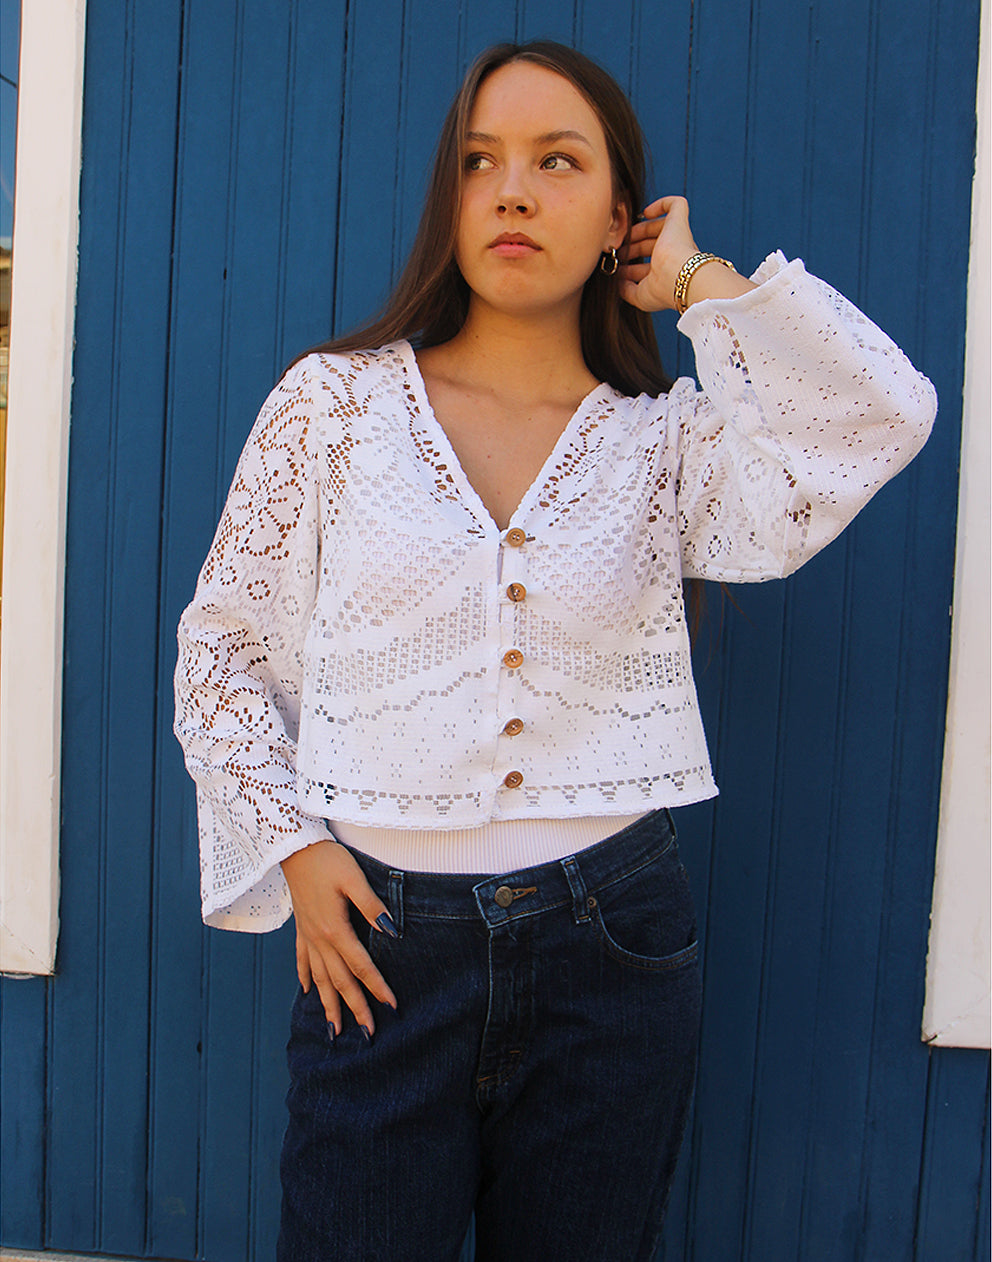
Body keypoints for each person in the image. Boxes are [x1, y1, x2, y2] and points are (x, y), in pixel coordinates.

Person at [173, 40, 936, 1262]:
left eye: (555, 161)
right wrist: (295, 848)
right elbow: (222, 650)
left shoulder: (662, 449)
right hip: (380, 945)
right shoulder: (332, 406)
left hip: (614, 945)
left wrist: (698, 282)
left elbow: (877, 413)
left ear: (617, 224)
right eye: (479, 163)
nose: (512, 191)